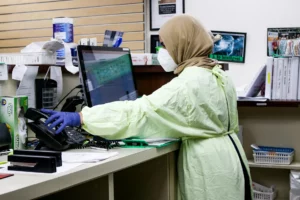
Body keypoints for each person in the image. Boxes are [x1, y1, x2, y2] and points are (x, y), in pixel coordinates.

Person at [42, 14, 253, 200]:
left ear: (182, 44)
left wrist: (82, 118)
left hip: (209, 169)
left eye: (165, 45)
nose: (162, 51)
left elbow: (139, 113)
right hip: (230, 160)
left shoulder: (189, 83)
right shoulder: (217, 73)